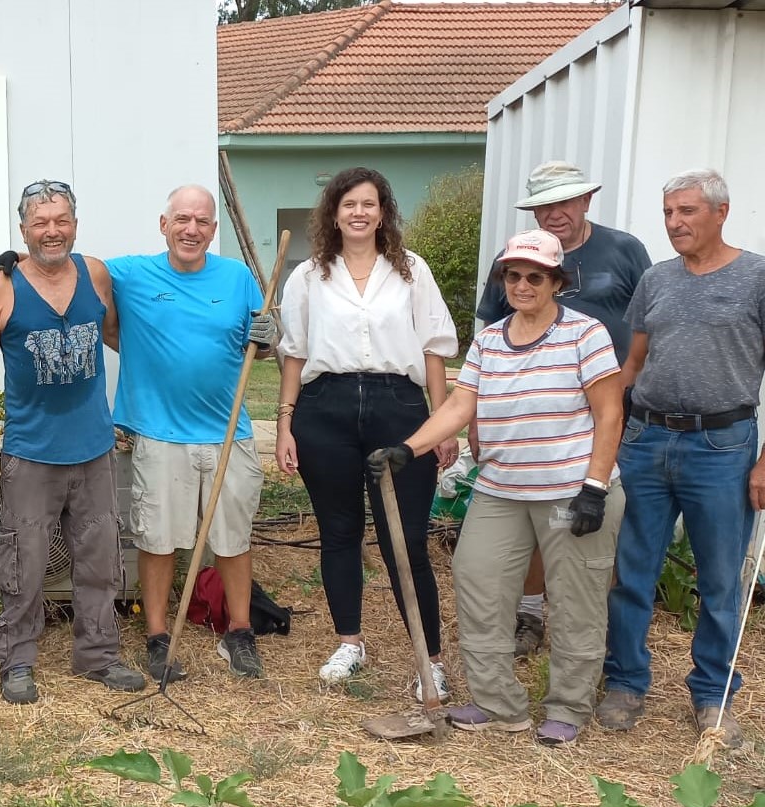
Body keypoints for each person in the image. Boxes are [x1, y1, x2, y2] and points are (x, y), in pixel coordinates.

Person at [0, 185, 277, 683]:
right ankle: (135, 643)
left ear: (213, 229)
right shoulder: (126, 272)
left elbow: (258, 347)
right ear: (164, 226)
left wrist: (270, 338)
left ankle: (221, 637)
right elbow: (51, 265)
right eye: (181, 219)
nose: (191, 229)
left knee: (214, 541)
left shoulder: (232, 276)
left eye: (201, 221)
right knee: (138, 543)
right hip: (128, 435)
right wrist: (6, 259)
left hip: (203, 432)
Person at [370, 229, 624, 746]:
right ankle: (496, 702)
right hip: (502, 489)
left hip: (571, 491)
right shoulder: (489, 341)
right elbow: (462, 407)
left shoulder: (585, 334)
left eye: (535, 276)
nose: (522, 285)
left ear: (556, 282)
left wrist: (595, 486)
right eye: (513, 275)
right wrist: (409, 448)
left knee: (576, 597)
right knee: (477, 578)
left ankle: (568, 707)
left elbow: (610, 413)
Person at [274, 167, 460, 702]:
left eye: (370, 204)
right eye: (349, 203)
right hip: (324, 408)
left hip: (397, 407)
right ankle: (350, 642)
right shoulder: (309, 275)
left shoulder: (411, 271)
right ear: (333, 213)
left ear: (383, 213)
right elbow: (295, 353)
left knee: (406, 538)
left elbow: (433, 350)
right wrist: (286, 424)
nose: (360, 213)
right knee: (339, 533)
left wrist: (439, 423)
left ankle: (431, 659)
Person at [600, 169, 765, 749]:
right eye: (668, 213)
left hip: (722, 448)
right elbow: (634, 365)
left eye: (687, 212)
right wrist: (609, 433)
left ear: (721, 212)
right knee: (632, 572)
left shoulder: (758, 277)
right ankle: (624, 683)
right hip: (646, 442)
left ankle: (713, 695)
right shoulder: (655, 280)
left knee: (721, 579)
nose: (674, 223)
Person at [0, 180, 146, 703]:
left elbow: (117, 334)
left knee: (99, 559)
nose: (52, 231)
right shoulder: (3, 287)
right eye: (40, 222)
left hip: (93, 449)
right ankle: (17, 662)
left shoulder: (95, 274)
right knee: (22, 562)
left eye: (61, 219)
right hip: (31, 453)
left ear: (75, 223)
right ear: (23, 229)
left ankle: (98, 655)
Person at [476, 161, 652, 658]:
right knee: (536, 516)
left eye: (564, 202)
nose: (554, 213)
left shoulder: (623, 251)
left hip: (609, 411)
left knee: (598, 521)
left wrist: (624, 384)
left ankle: (601, 637)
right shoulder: (516, 257)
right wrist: (478, 417)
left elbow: (645, 325)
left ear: (586, 201)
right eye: (543, 205)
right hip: (535, 416)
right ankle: (530, 613)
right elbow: (487, 337)